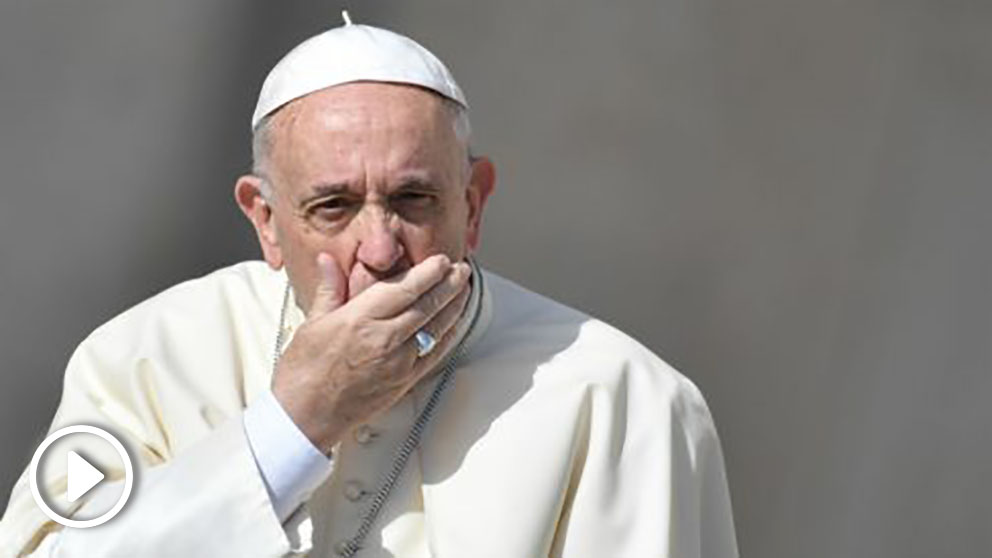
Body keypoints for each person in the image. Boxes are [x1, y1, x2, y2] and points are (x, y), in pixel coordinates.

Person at [0, 17, 738, 558]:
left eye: (415, 201)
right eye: (334, 207)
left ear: (473, 204)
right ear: (265, 220)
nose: (381, 250)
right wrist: (294, 426)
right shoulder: (147, 356)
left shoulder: (623, 399)